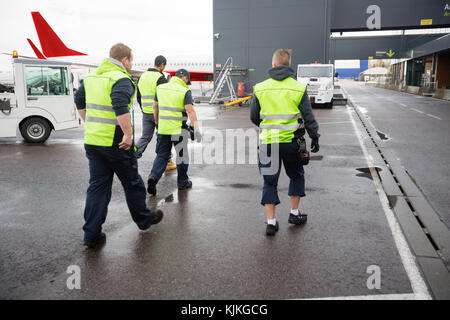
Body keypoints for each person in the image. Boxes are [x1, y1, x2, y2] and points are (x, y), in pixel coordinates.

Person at [74, 43, 163, 248]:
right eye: (131, 60)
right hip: (116, 141)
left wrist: (90, 123)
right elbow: (119, 106)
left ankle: (91, 234)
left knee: (98, 187)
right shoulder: (120, 78)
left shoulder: (92, 78)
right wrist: (128, 134)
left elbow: (79, 100)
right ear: (124, 60)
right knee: (132, 182)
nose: (131, 64)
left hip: (93, 141)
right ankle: (143, 219)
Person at [250, 49, 320, 236]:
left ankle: (271, 223)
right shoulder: (298, 88)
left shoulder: (260, 88)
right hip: (291, 142)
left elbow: (254, 117)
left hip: (267, 143)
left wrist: (267, 128)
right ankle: (294, 213)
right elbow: (308, 116)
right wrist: (315, 136)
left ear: (273, 65)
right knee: (296, 175)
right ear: (289, 65)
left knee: (269, 181)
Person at [147, 69, 200, 195]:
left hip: (163, 128)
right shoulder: (184, 91)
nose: (187, 84)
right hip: (179, 130)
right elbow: (190, 111)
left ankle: (153, 177)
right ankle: (182, 183)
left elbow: (155, 106)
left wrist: (157, 123)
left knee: (162, 155)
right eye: (188, 81)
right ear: (185, 78)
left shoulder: (160, 88)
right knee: (182, 156)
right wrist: (196, 129)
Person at [136, 55, 176, 171]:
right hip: (158, 113)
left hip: (146, 113)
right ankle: (167, 162)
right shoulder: (160, 78)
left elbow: (138, 95)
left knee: (145, 137)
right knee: (163, 137)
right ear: (162, 64)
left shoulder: (142, 76)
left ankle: (132, 157)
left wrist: (143, 109)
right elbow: (164, 97)